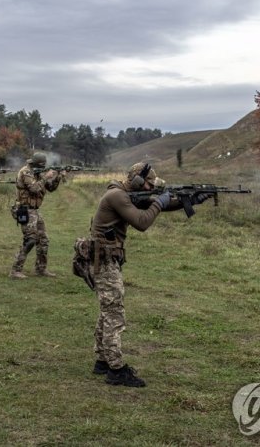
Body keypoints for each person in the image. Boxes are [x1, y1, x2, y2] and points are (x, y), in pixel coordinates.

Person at [87, 162, 208, 388]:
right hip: (103, 259)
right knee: (114, 311)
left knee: (107, 309)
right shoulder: (117, 196)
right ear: (136, 181)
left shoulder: (123, 193)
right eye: (149, 183)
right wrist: (161, 203)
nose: (152, 187)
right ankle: (116, 369)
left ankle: (103, 360)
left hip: (105, 257)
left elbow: (154, 203)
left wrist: (186, 202)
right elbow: (143, 221)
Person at [10, 152, 64, 279]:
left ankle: (41, 269)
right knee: (30, 240)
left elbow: (50, 188)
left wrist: (58, 177)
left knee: (43, 239)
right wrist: (46, 176)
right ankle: (15, 270)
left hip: (35, 210)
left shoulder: (38, 172)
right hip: (24, 209)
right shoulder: (26, 172)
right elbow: (34, 188)